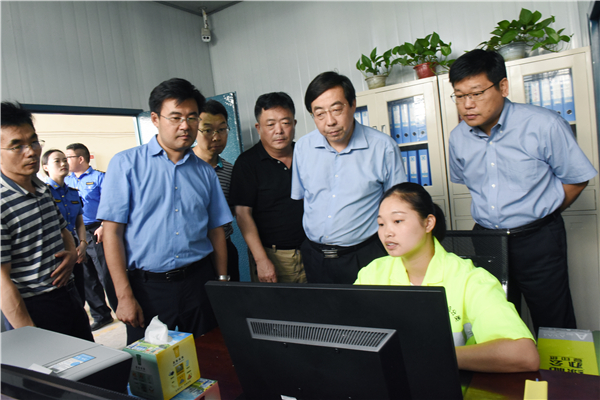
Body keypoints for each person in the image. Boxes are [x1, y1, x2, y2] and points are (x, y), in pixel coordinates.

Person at [447, 49, 598, 333]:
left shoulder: (543, 124)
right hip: (488, 241)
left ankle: (559, 365)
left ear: (503, 87)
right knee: (495, 321)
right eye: (459, 95)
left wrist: (541, 213)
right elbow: (469, 183)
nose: (467, 105)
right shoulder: (458, 138)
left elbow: (576, 179)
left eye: (477, 93)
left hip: (538, 239)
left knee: (554, 320)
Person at [97, 78, 232, 344]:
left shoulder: (205, 172)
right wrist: (124, 296)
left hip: (198, 283)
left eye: (192, 117)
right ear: (155, 119)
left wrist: (222, 281)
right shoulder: (126, 165)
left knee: (208, 353)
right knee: (154, 364)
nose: (185, 125)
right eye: (176, 117)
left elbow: (216, 230)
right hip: (148, 289)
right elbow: (112, 234)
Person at [355, 182, 540, 373]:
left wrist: (431, 356)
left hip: (455, 381)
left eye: (398, 221)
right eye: (381, 224)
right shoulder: (372, 273)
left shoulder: (470, 279)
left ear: (428, 223)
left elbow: (524, 355)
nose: (387, 232)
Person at [291, 71, 407, 284]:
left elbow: (399, 208)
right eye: (319, 114)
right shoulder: (302, 148)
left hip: (363, 256)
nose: (330, 121)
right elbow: (304, 199)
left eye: (337, 110)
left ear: (353, 105)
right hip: (315, 258)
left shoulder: (383, 147)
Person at [0, 102, 93, 341]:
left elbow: (62, 228)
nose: (31, 152)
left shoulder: (41, 188)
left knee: (88, 358)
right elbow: (1, 282)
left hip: (68, 295)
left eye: (33, 142)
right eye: (17, 146)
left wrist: (71, 252)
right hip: (33, 307)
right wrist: (30, 335)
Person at [231, 92, 307, 283]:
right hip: (273, 256)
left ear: (294, 124)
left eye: (285, 123)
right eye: (270, 124)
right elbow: (242, 214)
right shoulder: (247, 163)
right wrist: (261, 260)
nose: (279, 131)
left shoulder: (306, 154)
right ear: (259, 128)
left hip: (312, 252)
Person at [65, 143, 117, 331]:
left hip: (97, 231)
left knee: (105, 273)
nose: (65, 161)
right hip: (76, 233)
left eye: (68, 157)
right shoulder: (67, 180)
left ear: (80, 159)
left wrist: (103, 226)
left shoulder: (100, 177)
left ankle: (120, 308)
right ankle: (101, 315)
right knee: (87, 276)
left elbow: (111, 203)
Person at [193, 99, 239, 281]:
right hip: (195, 253)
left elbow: (234, 212)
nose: (216, 137)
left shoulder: (230, 171)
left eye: (221, 129)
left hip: (225, 248)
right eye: (207, 130)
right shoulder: (181, 167)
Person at [41, 149, 88, 305]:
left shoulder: (73, 193)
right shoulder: (43, 193)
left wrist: (83, 243)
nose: (63, 164)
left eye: (65, 160)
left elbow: (79, 222)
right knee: (62, 292)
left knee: (79, 291)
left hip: (74, 245)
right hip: (55, 249)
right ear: (45, 167)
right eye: (57, 161)